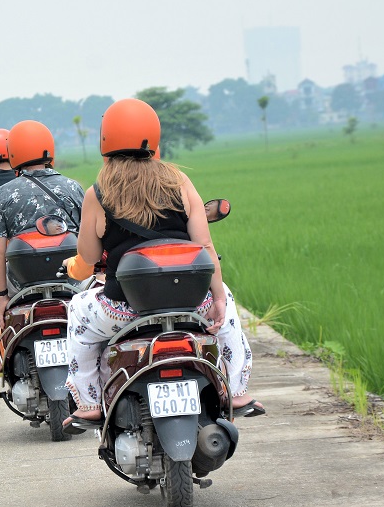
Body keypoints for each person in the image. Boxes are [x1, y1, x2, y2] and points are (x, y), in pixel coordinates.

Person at [62, 98, 262, 425]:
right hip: (190, 303)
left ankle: (89, 403)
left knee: (78, 312)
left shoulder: (97, 193)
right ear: (153, 138)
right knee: (226, 310)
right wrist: (218, 299)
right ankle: (236, 392)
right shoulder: (179, 181)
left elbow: (89, 256)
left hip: (124, 310)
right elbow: (205, 244)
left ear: (105, 141)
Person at [0, 120, 86, 378]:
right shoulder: (73, 187)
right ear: (49, 150)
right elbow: (87, 241)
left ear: (14, 154)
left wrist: (1, 297)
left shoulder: (4, 193)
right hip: (69, 278)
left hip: (21, 282)